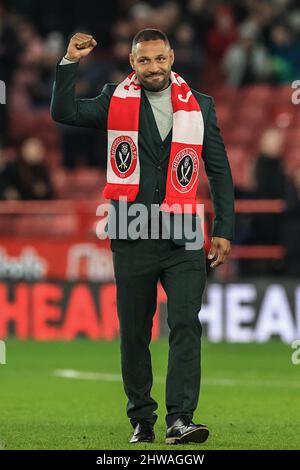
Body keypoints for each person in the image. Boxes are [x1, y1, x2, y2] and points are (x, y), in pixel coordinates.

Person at [51, 29, 235, 445]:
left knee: (186, 323)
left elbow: (219, 170)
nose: (153, 68)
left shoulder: (201, 105)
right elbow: (63, 112)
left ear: (172, 57)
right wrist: (69, 63)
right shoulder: (114, 99)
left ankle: (180, 419)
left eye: (160, 59)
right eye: (144, 61)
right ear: (132, 63)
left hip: (185, 234)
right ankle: (142, 419)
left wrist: (224, 228)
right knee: (135, 331)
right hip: (132, 231)